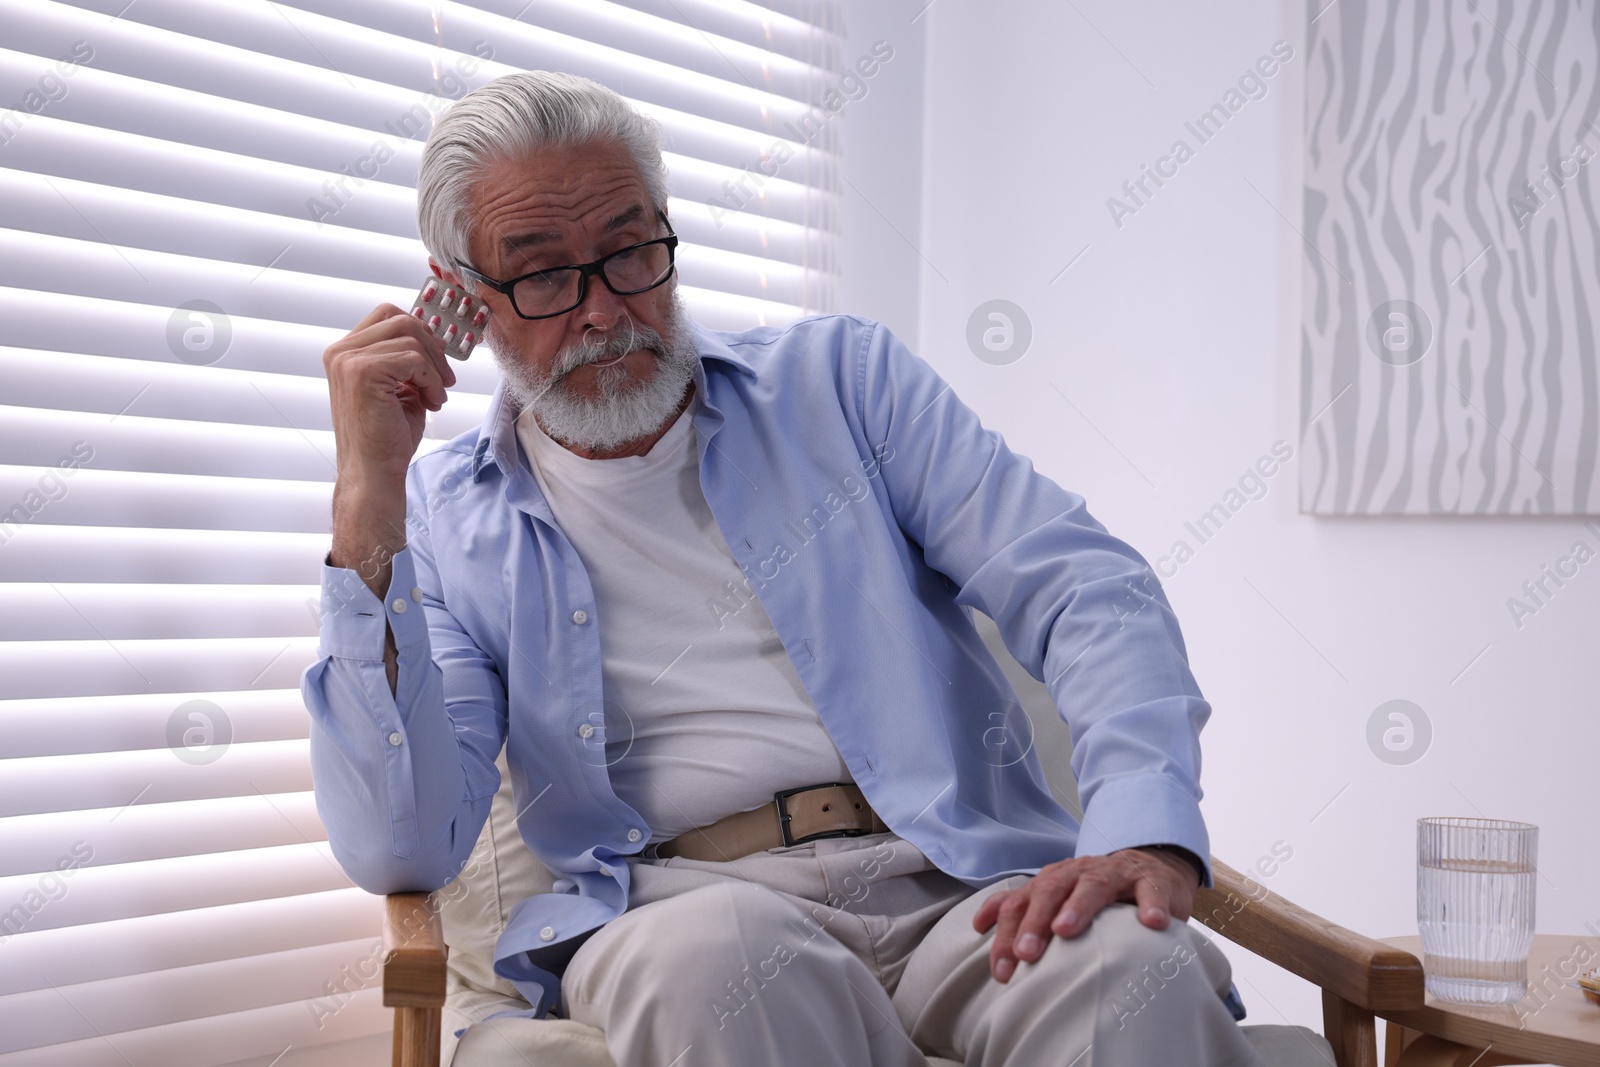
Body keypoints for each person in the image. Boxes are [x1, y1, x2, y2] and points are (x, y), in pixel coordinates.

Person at [302, 70, 1266, 1066]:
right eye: (543, 274)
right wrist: (364, 500)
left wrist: (1140, 832)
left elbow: (1082, 585)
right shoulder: (443, 517)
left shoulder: (843, 382)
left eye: (631, 250)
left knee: (1133, 967)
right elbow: (400, 843)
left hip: (960, 883)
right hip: (683, 907)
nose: (602, 312)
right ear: (457, 294)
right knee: (715, 964)